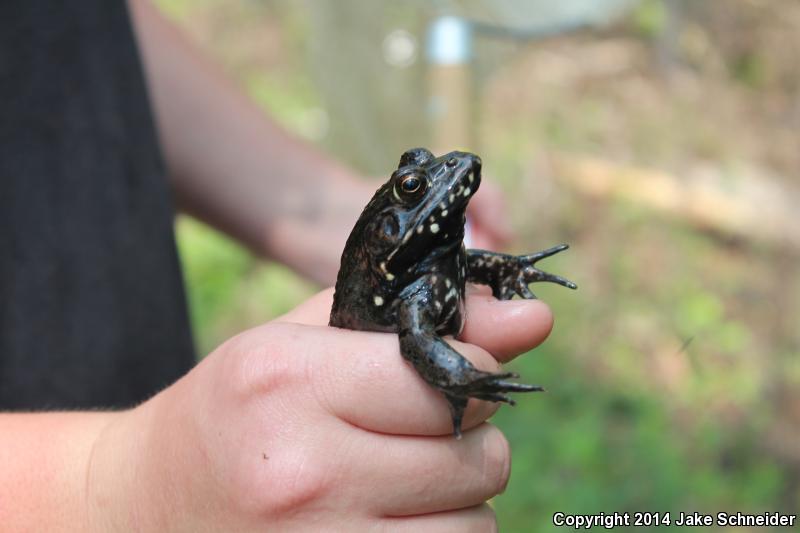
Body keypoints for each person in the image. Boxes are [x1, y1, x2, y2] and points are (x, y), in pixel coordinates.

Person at [0, 0, 555, 529]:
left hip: (136, 363)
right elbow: (417, 340)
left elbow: (75, 30)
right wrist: (110, 488)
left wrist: (313, 203)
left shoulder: (429, 259)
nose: (442, 175)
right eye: (413, 188)